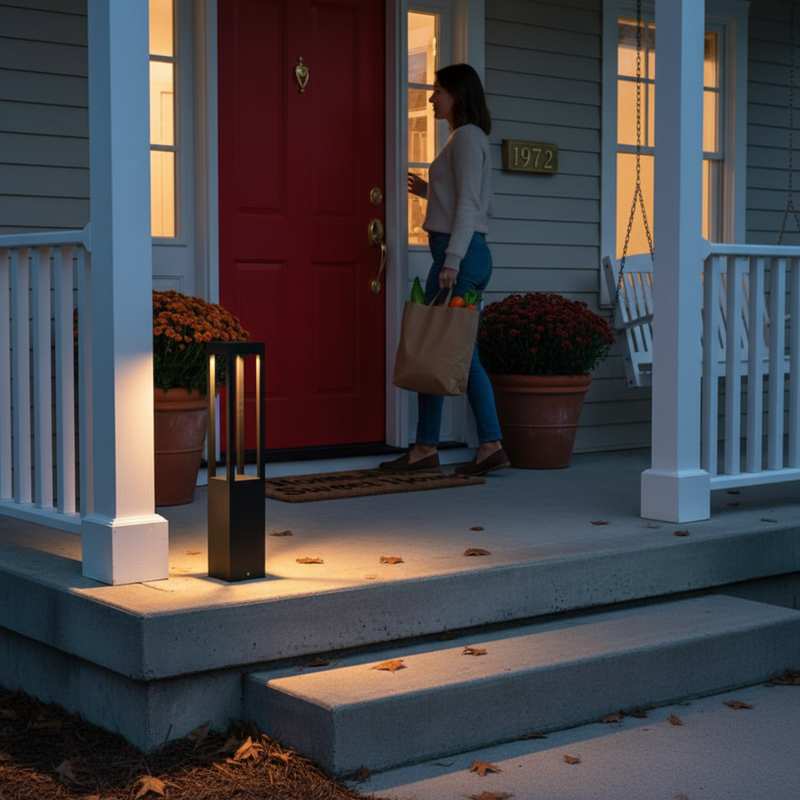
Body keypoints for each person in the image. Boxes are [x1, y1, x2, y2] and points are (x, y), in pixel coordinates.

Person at [380, 63, 510, 477]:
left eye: (438, 91)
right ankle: (459, 445)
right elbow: (469, 199)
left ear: (458, 94)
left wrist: (451, 261)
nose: (432, 97)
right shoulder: (462, 139)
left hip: (461, 255)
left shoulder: (468, 138)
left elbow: (473, 206)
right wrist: (428, 190)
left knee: (439, 348)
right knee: (447, 349)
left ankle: (443, 446)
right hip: (463, 251)